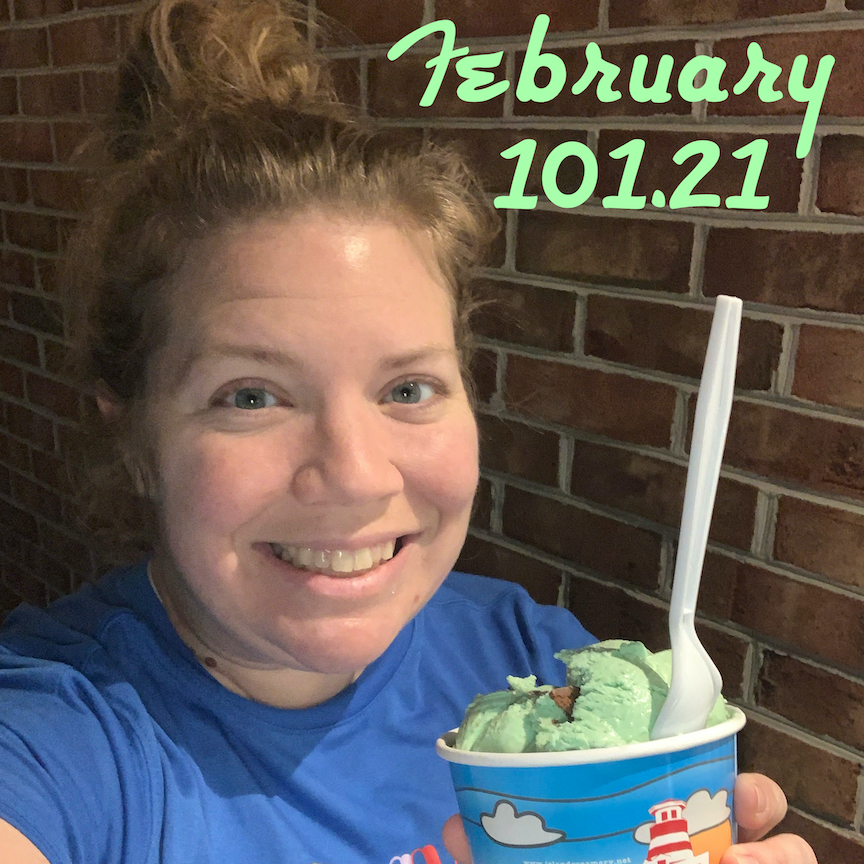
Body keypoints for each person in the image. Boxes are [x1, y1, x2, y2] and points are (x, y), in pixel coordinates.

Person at [0, 1, 817, 862]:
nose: (356, 475)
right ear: (131, 432)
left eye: (408, 386)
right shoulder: (58, 734)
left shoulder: (550, 676)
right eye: (251, 396)